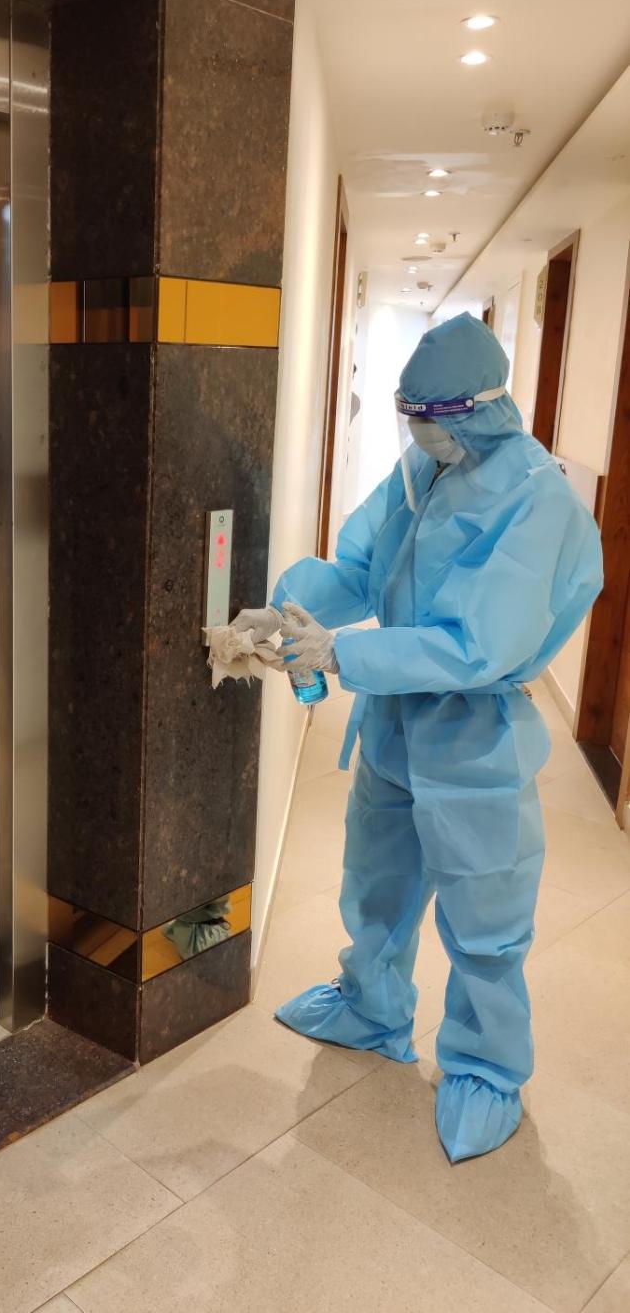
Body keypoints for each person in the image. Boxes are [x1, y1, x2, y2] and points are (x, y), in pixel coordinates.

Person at [233, 313, 602, 1162]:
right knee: (377, 879)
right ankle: (371, 1007)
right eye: (410, 416)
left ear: (477, 407)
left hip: (474, 738)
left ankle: (486, 1069)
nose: (418, 431)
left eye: (430, 417)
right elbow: (362, 568)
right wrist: (289, 611)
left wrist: (345, 653)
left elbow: (479, 645)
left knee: (484, 915)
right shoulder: (422, 469)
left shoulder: (537, 497)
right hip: (396, 723)